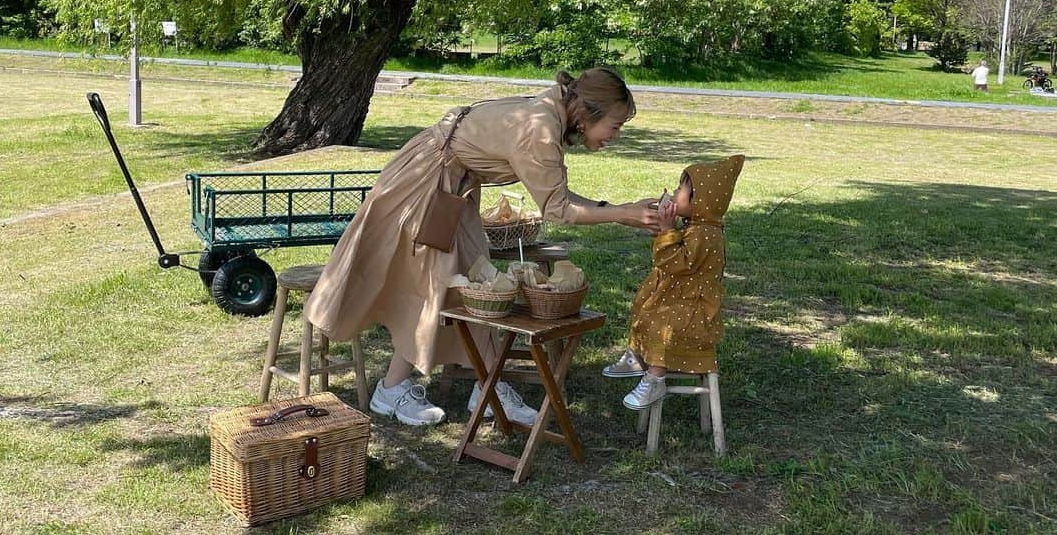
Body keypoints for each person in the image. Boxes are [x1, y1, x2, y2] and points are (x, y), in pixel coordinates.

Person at [303, 67, 662, 427]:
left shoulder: (552, 109)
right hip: (428, 183)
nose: (615, 136)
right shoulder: (539, 128)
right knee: (434, 283)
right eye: (615, 126)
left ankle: (483, 387)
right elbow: (558, 209)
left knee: (473, 283)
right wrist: (622, 213)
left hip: (453, 184)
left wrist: (621, 212)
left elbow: (558, 199)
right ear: (586, 115)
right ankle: (398, 389)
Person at [603, 156, 745, 410]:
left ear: (700, 201)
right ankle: (636, 355)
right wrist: (668, 227)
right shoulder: (698, 226)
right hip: (680, 299)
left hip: (693, 312)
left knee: (662, 324)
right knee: (643, 306)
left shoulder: (705, 234)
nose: (676, 192)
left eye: (681, 190)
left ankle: (655, 378)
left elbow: (676, 263)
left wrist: (668, 230)